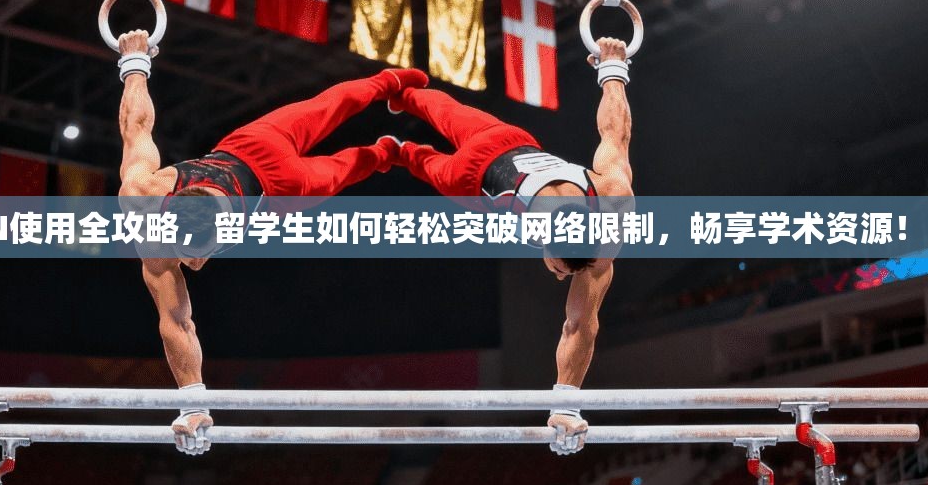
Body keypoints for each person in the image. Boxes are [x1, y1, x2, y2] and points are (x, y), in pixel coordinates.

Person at [115, 30, 427, 455]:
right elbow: (137, 127)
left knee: (329, 115)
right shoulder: (144, 200)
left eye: (196, 255)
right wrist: (134, 64)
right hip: (249, 167)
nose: (190, 264)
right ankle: (388, 150)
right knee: (344, 161)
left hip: (270, 179)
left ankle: (388, 85)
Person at [388, 37, 635, 455]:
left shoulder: (610, 212)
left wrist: (614, 71)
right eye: (562, 267)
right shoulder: (606, 210)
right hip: (477, 172)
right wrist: (565, 402)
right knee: (432, 145)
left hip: (511, 144)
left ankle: (402, 114)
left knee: (435, 127)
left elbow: (616, 133)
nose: (561, 274)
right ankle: (401, 127)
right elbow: (578, 324)